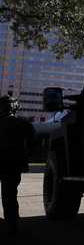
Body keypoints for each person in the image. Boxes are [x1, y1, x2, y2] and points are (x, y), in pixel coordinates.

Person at [0, 96, 35, 235]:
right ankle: (12, 225)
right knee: (10, 196)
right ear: (14, 108)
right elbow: (33, 143)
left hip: (7, 163)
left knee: (9, 196)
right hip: (13, 165)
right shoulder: (23, 124)